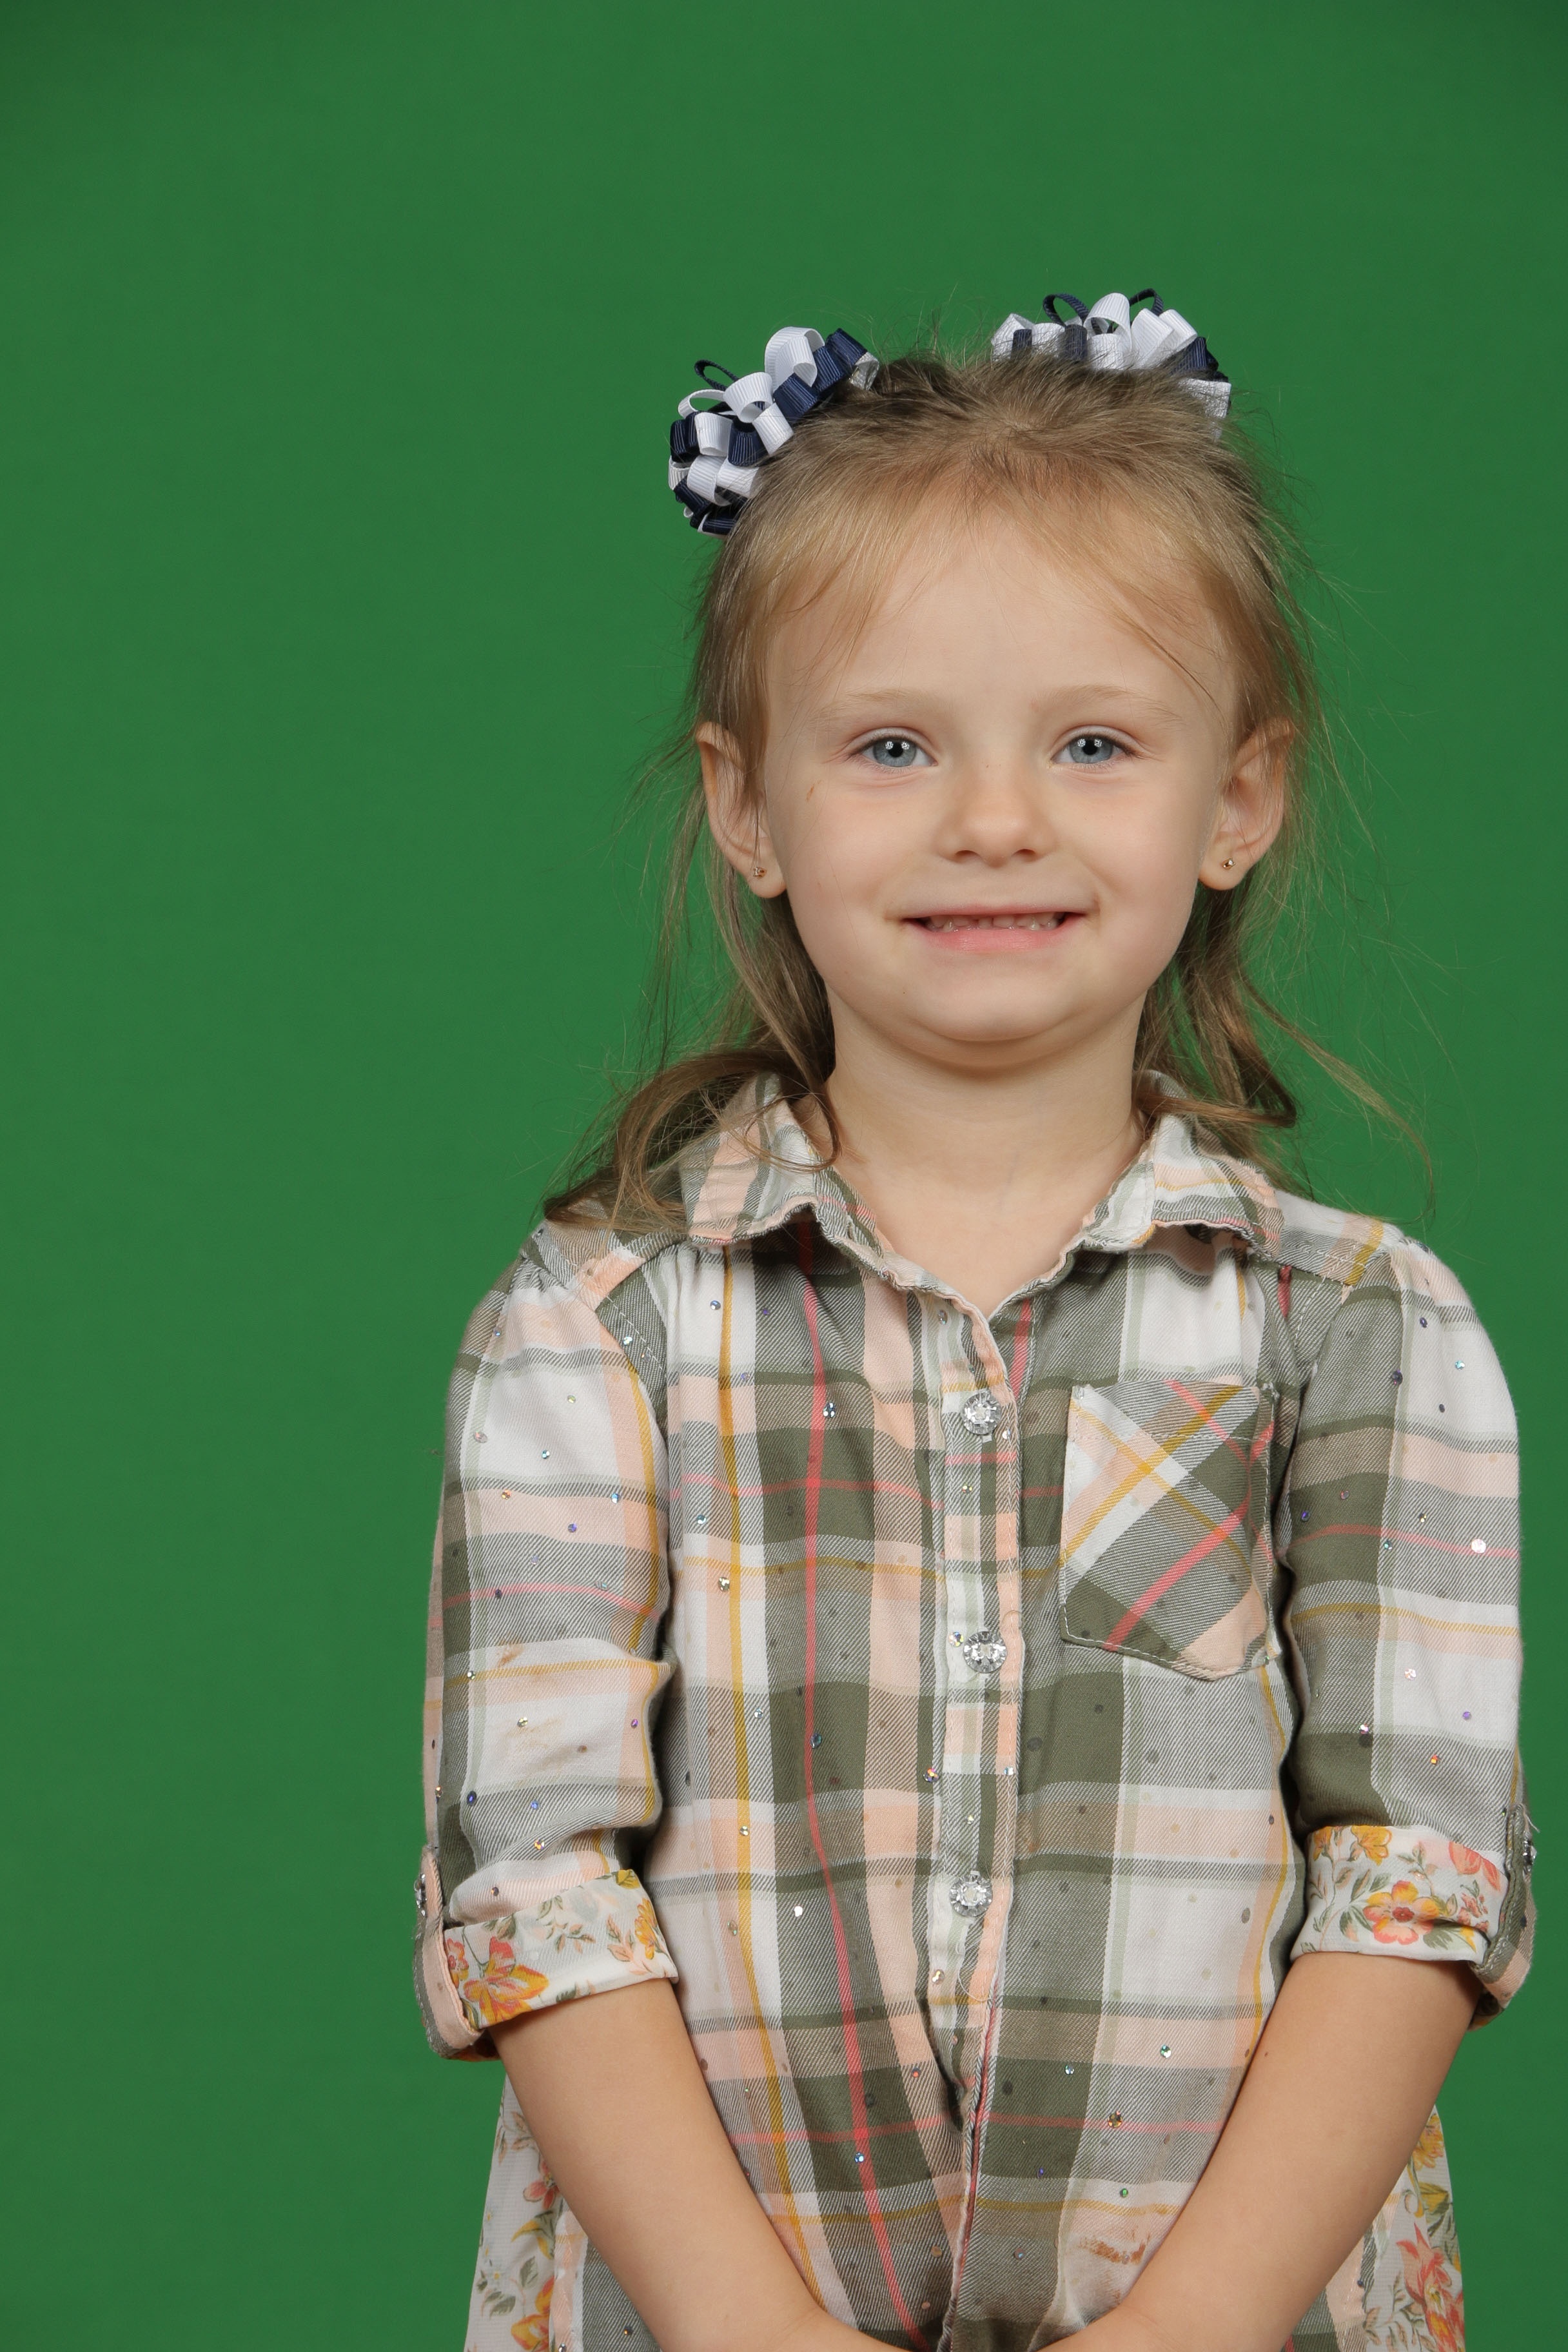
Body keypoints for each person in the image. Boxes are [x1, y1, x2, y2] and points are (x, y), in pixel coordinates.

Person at [414, 289, 1534, 2352]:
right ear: (750, 808)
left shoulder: (1363, 1331)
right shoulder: (593, 1330)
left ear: (1238, 800)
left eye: (1093, 744)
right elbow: (538, 1883)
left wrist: (1188, 2331)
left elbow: (1417, 1878)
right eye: (892, 745)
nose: (993, 819)